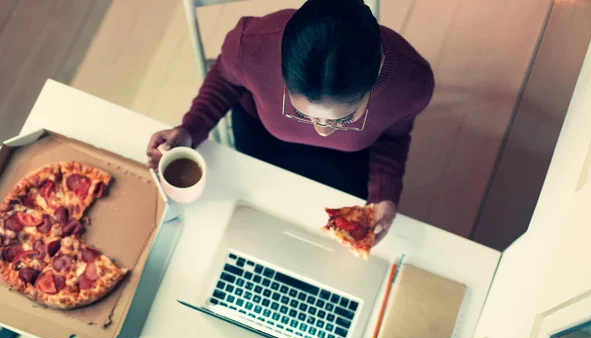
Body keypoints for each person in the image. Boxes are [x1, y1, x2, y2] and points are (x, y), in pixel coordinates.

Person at [147, 0, 434, 245]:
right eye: (302, 113)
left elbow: (392, 138)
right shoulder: (252, 45)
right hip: (263, 138)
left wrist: (384, 195)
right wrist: (190, 129)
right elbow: (225, 78)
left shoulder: (410, 84)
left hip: (350, 160)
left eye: (343, 119)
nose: (321, 131)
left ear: (375, 82)